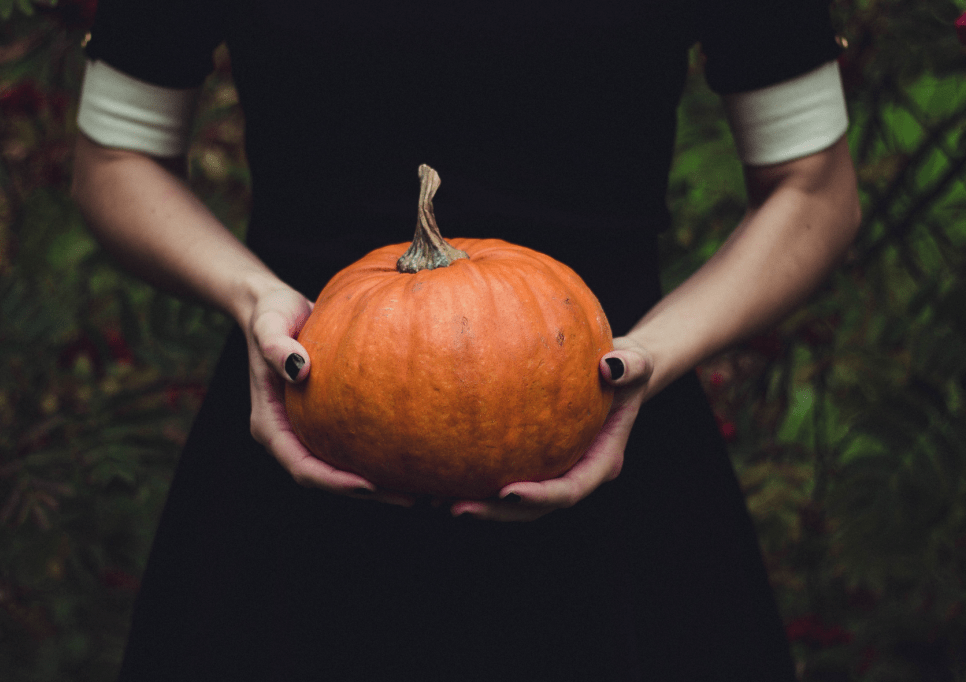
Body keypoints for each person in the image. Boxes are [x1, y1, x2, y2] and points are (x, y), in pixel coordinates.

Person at [71, 0, 860, 679]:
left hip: (613, 433)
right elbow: (115, 157)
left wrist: (650, 356)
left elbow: (814, 187)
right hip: (303, 418)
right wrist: (254, 301)